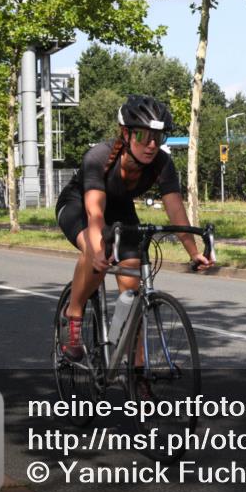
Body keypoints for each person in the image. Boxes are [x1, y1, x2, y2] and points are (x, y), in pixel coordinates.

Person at [55, 95, 214, 360]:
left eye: (158, 137)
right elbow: (95, 211)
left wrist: (192, 251)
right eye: (143, 136)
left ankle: (137, 374)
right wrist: (96, 248)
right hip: (78, 205)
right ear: (125, 134)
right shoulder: (99, 157)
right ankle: (73, 314)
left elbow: (176, 211)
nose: (151, 145)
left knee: (133, 294)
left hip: (120, 209)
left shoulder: (162, 164)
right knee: (97, 250)